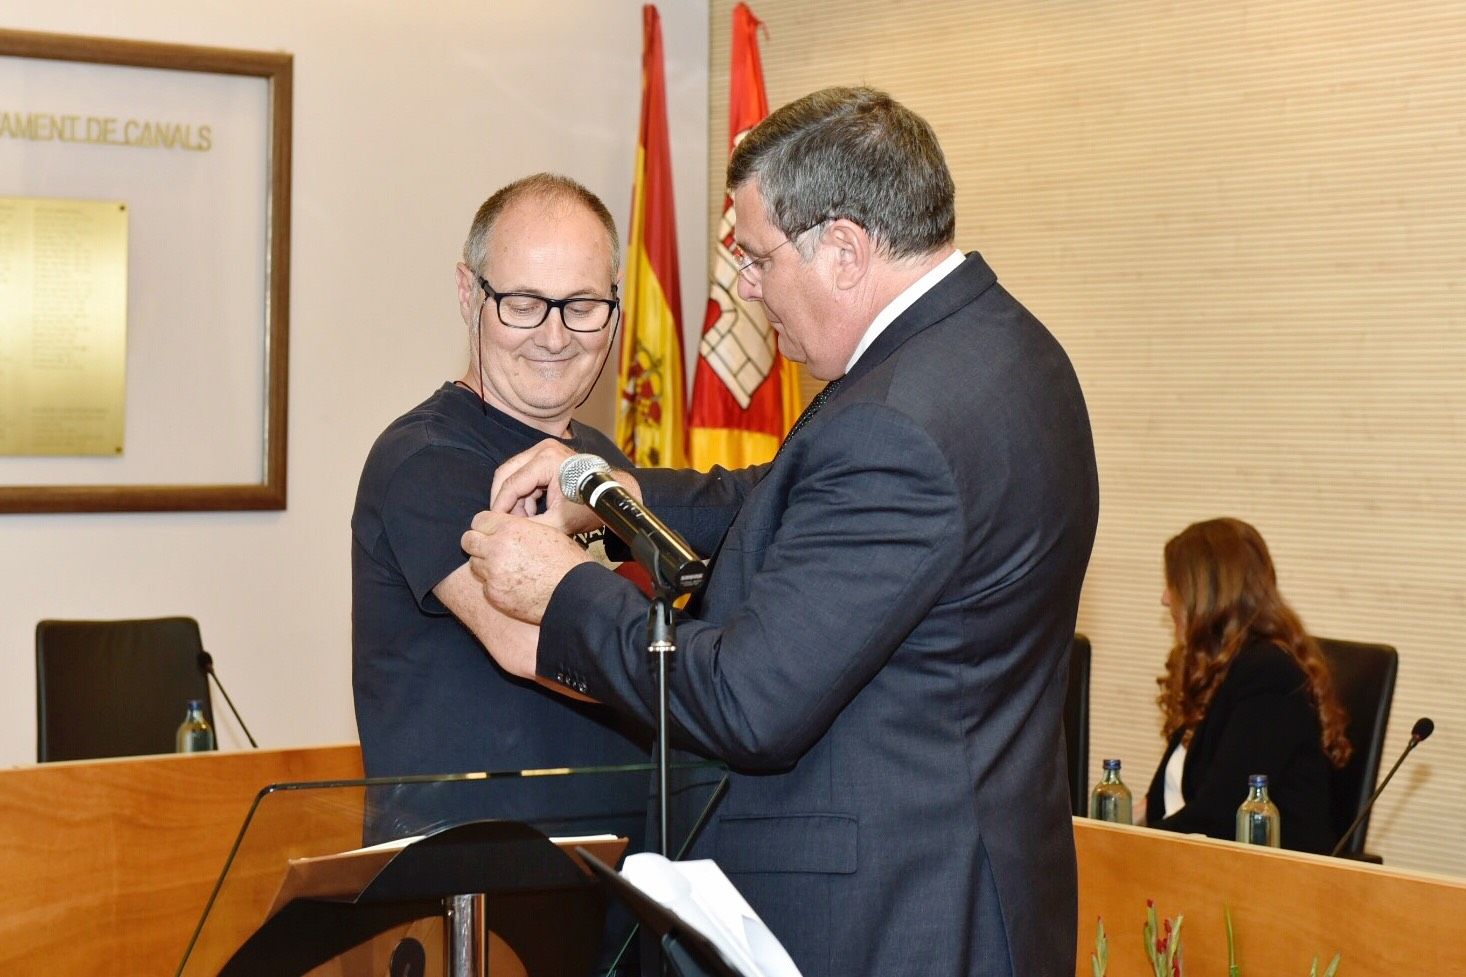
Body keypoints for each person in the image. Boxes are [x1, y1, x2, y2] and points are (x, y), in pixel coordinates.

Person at [462, 88, 1099, 977]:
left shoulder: (899, 420)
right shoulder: (1001, 350)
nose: (748, 287)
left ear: (842, 248)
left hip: (891, 916)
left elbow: (749, 700)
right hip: (965, 882)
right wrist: (610, 493)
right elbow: (782, 499)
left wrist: (563, 585)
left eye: (757, 257)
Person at [350, 173, 650, 825]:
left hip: (616, 881)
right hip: (475, 894)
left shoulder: (601, 461)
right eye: (522, 302)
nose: (553, 335)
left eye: (582, 304)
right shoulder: (425, 459)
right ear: (468, 293)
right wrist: (728, 673)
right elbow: (531, 641)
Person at [1143, 517, 1351, 854]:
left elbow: (1217, 819)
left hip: (1257, 888)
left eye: (1176, 585)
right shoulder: (1218, 669)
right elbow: (1171, 803)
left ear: (1210, 595)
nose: (1165, 599)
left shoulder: (1269, 676)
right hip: (1196, 870)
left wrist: (1132, 849)